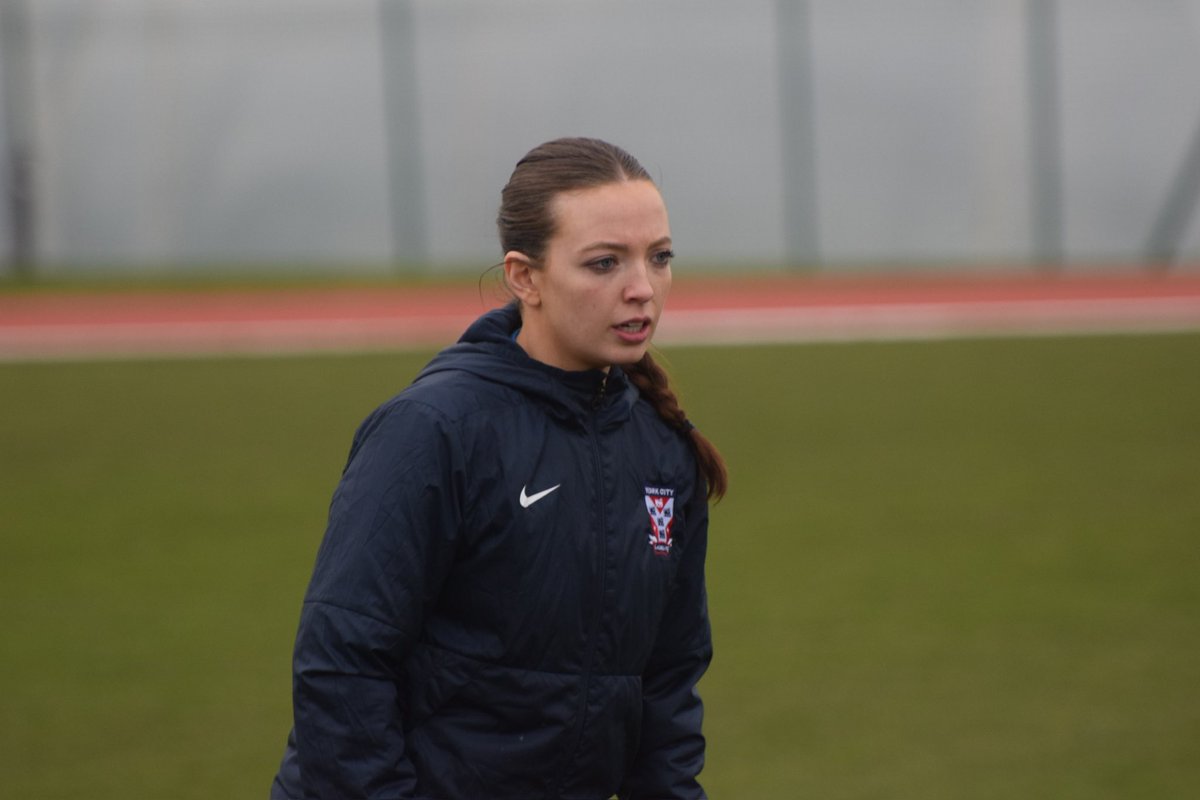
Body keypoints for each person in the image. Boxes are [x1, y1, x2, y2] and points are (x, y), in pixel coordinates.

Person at [270, 137, 728, 800]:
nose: (641, 289)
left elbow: (667, 685)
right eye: (604, 263)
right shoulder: (435, 429)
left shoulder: (662, 449)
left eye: (659, 258)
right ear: (524, 277)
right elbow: (342, 664)